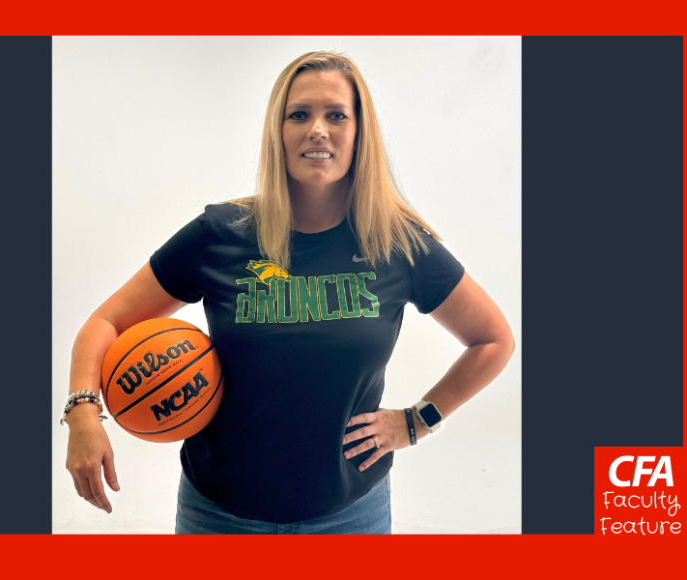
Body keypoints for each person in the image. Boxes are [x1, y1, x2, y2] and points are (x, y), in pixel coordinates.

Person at [64, 51, 515, 534]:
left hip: (350, 514)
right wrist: (84, 414)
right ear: (277, 133)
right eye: (299, 114)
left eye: (336, 115)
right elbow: (106, 322)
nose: (317, 129)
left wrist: (416, 421)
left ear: (360, 133)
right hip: (218, 511)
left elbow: (493, 340)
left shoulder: (396, 242)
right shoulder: (221, 233)